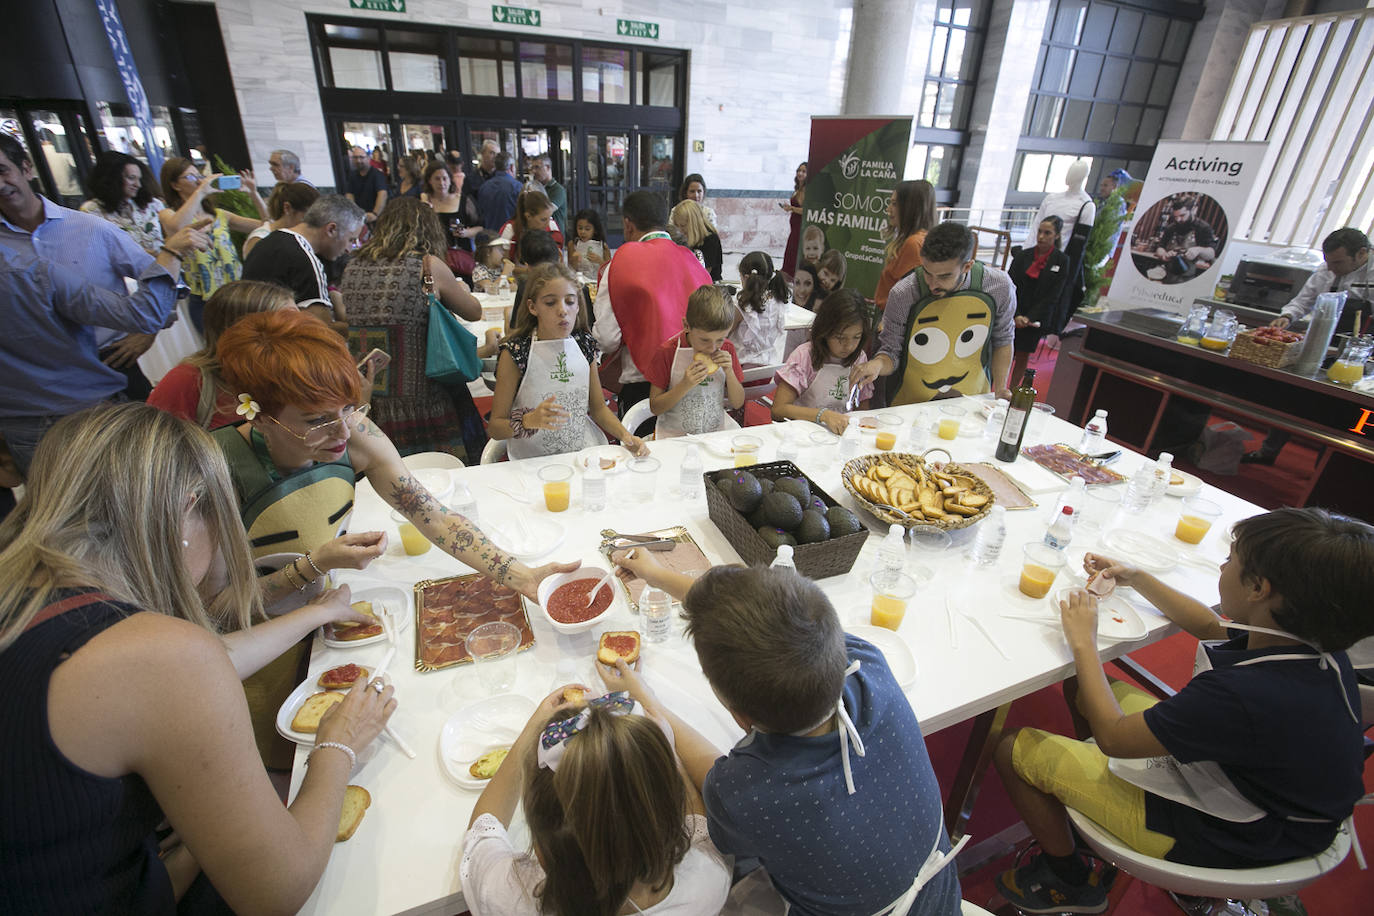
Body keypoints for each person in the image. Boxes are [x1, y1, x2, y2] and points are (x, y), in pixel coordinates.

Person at [0, 403, 396, 913]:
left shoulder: (29, 596)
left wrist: (317, 614)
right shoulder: (159, 657)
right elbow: (277, 889)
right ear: (188, 509)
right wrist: (337, 746)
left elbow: (203, 661)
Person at [213, 309, 577, 763]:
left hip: (330, 630)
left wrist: (521, 576)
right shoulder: (214, 471)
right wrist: (313, 565)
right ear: (260, 416)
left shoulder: (352, 434)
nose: (343, 431)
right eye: (316, 419)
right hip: (253, 662)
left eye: (350, 407)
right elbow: (216, 615)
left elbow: (436, 517)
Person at [993, 507, 1374, 915]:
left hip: (1233, 838)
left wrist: (1083, 641)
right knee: (1085, 689)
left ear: (1259, 588)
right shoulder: (1308, 643)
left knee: (1012, 747)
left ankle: (1066, 876)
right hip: (1275, 804)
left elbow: (1114, 738)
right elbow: (1212, 627)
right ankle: (1086, 814)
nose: (1224, 566)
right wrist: (1135, 576)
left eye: (1232, 560)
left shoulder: (1245, 695)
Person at [605, 555, 964, 916]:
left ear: (740, 718)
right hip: (944, 895)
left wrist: (649, 703)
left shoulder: (744, 790)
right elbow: (775, 618)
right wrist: (658, 575)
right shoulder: (867, 664)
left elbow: (718, 792)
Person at [460, 684, 731, 916]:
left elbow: (483, 831)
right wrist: (667, 754)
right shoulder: (707, 882)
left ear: (542, 855)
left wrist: (532, 734)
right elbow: (697, 824)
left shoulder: (510, 896)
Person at [0, 134, 195, 411]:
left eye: (3, 171)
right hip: (38, 387)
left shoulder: (90, 227)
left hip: (113, 364)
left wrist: (149, 330)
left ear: (26, 168)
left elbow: (165, 277)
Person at [0, 231, 204, 472]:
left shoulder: (36, 267)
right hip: (86, 413)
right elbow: (145, 313)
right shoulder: (30, 273)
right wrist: (171, 254)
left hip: (25, 424)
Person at [340, 197, 489, 463]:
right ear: (429, 229)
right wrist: (461, 289)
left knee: (386, 471)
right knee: (441, 469)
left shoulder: (353, 266)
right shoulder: (427, 265)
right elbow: (473, 312)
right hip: (426, 392)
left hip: (372, 391)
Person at [489, 263, 647, 458]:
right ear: (532, 307)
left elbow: (598, 409)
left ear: (578, 306)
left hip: (580, 452)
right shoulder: (515, 352)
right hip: (532, 459)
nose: (562, 310)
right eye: (550, 303)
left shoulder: (584, 343)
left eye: (570, 302)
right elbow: (495, 427)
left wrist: (627, 437)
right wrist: (528, 421)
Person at [852, 221, 1016, 404]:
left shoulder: (999, 287)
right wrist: (877, 364)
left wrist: (1001, 389)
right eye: (927, 272)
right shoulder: (904, 293)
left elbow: (1003, 339)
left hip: (971, 399)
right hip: (912, 402)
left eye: (944, 276)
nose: (932, 284)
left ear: (967, 266)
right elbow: (891, 351)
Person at [593, 191, 713, 417]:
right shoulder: (693, 260)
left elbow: (607, 340)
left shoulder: (621, 262)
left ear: (628, 225)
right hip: (696, 376)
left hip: (643, 384)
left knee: (644, 449)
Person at [148, 280, 294, 429]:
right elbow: (153, 447)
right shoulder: (188, 381)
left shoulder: (296, 375)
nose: (303, 333)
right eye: (286, 325)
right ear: (244, 332)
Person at [159, 157, 267, 334]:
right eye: (191, 177)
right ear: (175, 185)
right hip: (204, 299)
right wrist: (201, 191)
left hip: (235, 292)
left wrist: (254, 194)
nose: (199, 180)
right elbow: (176, 227)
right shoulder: (168, 214)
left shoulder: (219, 215)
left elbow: (266, 225)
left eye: (199, 175)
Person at [242, 194, 364, 325]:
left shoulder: (270, 240)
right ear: (331, 229)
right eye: (351, 240)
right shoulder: (306, 259)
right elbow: (322, 329)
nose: (349, 249)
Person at [771, 288, 875, 435]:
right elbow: (778, 409)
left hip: (841, 436)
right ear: (825, 330)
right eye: (840, 337)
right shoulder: (804, 356)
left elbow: (862, 410)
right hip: (803, 435)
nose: (849, 345)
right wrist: (823, 415)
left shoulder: (859, 359)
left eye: (856, 337)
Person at [647, 284, 746, 437]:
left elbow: (737, 402)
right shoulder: (667, 352)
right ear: (686, 325)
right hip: (673, 436)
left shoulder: (728, 349)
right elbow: (655, 407)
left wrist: (729, 372)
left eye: (720, 339)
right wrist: (685, 385)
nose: (712, 348)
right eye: (704, 340)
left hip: (715, 434)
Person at [1008, 217, 1071, 385]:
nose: (1041, 237)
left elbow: (1053, 295)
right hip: (1015, 311)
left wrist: (1028, 318)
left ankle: (1011, 391)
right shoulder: (1023, 256)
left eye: (1047, 233)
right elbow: (1009, 286)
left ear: (1056, 236)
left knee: (1023, 354)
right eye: (1040, 232)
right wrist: (1016, 314)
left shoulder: (1062, 261)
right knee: (1005, 350)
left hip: (1035, 318)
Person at [1271, 228, 1372, 329]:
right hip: (1326, 332)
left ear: (1361, 253)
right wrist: (1287, 316)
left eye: (1337, 262)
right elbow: (1303, 300)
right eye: (1327, 262)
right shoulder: (1326, 269)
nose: (1330, 268)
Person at [80, 150, 166, 255]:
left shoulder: (151, 205)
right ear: (113, 178)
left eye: (139, 179)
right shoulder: (91, 211)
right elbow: (93, 252)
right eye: (131, 178)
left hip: (161, 267)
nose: (138, 185)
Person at [874, 179, 938, 311]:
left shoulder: (913, 244)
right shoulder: (922, 240)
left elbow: (909, 297)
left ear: (909, 207)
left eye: (894, 204)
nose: (888, 209)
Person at [421, 161, 483, 277]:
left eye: (445, 178)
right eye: (437, 179)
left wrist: (466, 232)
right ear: (429, 181)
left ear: (450, 180)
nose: (441, 183)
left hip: (460, 257)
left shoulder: (464, 201)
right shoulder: (424, 202)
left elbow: (480, 227)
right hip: (433, 257)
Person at [730, 250, 790, 366]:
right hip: (768, 366)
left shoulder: (742, 304)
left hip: (741, 368)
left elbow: (723, 333)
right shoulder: (778, 300)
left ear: (746, 278)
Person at [242, 181, 319, 258]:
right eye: (306, 216)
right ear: (287, 208)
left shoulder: (295, 237)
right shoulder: (260, 239)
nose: (310, 223)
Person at [1150, 195, 1216, 282]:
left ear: (1193, 210)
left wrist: (1199, 250)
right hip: (1167, 275)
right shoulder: (1171, 227)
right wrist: (1164, 255)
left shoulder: (1203, 228)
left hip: (1188, 279)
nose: (1178, 219)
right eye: (1175, 216)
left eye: (1182, 215)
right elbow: (1160, 247)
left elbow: (1211, 253)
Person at [499, 189, 564, 262]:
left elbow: (557, 261)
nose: (548, 223)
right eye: (543, 219)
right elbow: (504, 264)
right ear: (528, 216)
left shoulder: (552, 226)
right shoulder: (510, 229)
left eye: (550, 217)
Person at [669, 200, 723, 282]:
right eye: (677, 226)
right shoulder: (682, 238)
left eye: (683, 226)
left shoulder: (710, 238)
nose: (680, 230)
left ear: (693, 223)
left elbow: (704, 274)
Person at [477, 152, 523, 239]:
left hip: (489, 238)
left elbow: (481, 213)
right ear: (512, 167)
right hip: (511, 238)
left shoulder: (484, 187)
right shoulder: (517, 187)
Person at [344, 145, 388, 229]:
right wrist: (355, 213)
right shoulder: (352, 176)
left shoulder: (377, 175)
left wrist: (375, 214)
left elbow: (382, 194)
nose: (358, 160)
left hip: (376, 218)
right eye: (355, 158)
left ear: (368, 158)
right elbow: (349, 195)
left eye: (361, 157)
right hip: (360, 219)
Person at [528, 153, 568, 239]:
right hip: (539, 236)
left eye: (537, 167)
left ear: (548, 168)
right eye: (532, 168)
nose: (534, 171)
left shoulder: (558, 190)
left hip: (554, 237)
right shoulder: (534, 187)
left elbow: (546, 212)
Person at [780, 161, 808, 278]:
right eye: (799, 171)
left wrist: (791, 208)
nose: (800, 173)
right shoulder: (799, 187)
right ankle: (788, 272)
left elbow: (805, 210)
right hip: (795, 225)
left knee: (794, 248)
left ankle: (790, 273)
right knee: (791, 248)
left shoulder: (806, 189)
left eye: (804, 171)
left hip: (800, 226)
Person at [568, 208, 611, 277]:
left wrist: (600, 261)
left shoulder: (603, 246)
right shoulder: (572, 244)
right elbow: (570, 271)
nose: (583, 232)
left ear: (595, 230)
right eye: (580, 228)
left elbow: (610, 271)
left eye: (587, 229)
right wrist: (574, 260)